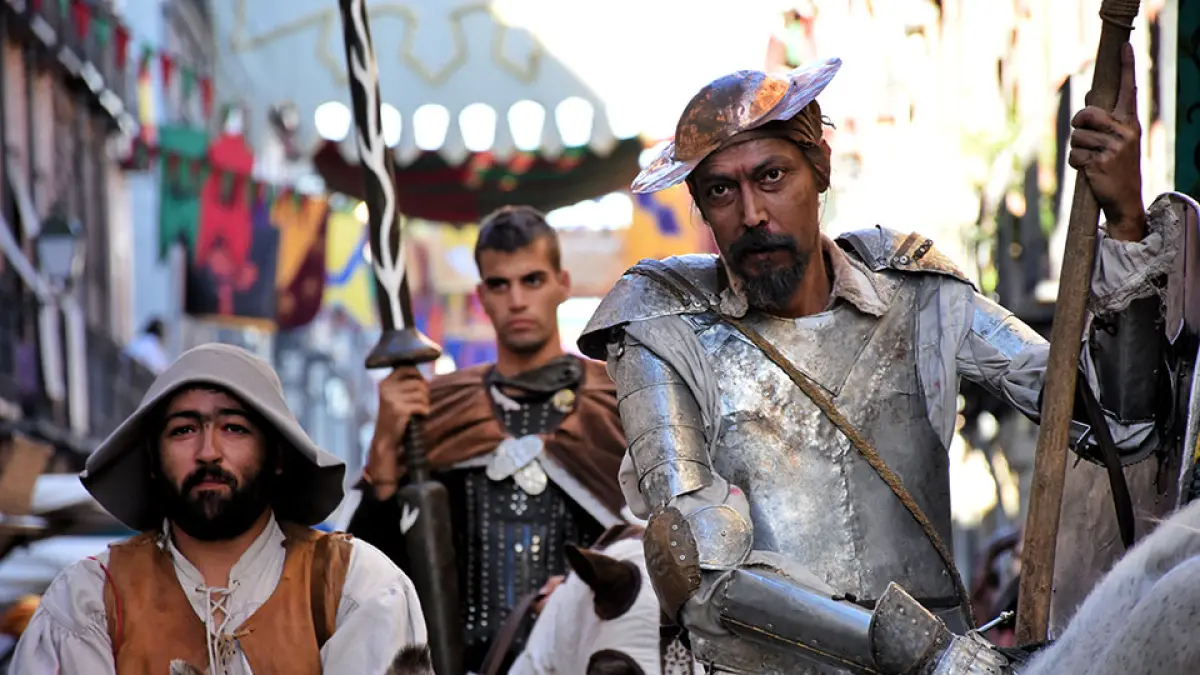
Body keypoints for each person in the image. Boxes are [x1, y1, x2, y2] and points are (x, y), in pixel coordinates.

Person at [577, 47, 1195, 674]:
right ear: (700, 203)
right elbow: (698, 567)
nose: (752, 214)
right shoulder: (662, 324)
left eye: (772, 176)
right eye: (721, 191)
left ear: (820, 166)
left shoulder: (916, 291)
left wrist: (1124, 220)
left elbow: (1120, 423)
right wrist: (932, 656)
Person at [9, 343, 428, 674]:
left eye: (234, 428)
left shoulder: (355, 588)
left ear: (277, 455)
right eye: (184, 430)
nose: (208, 451)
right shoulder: (87, 601)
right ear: (153, 459)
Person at [348, 205, 628, 673]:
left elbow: (658, 545)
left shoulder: (617, 401)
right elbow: (374, 572)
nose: (517, 300)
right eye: (499, 285)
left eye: (532, 280)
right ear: (481, 294)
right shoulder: (440, 409)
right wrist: (383, 449)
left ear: (562, 283)